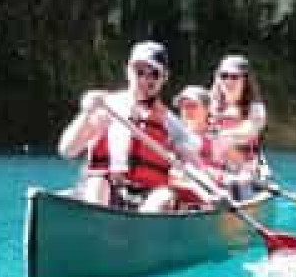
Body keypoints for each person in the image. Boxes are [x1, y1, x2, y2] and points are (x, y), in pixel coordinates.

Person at [57, 41, 198, 212]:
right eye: (139, 71)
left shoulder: (171, 123)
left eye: (154, 73)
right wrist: (85, 115)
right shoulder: (106, 107)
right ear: (128, 71)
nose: (145, 79)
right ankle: (97, 230)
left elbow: (194, 163)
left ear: (164, 77)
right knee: (97, 183)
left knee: (163, 196)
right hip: (107, 192)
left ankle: (140, 233)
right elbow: (67, 150)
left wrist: (186, 161)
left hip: (148, 197)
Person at [209, 54, 271, 199]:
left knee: (237, 184)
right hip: (213, 166)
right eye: (224, 76)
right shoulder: (210, 104)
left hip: (245, 168)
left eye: (234, 76)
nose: (228, 81)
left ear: (245, 80)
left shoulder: (256, 108)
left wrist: (220, 135)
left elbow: (249, 130)